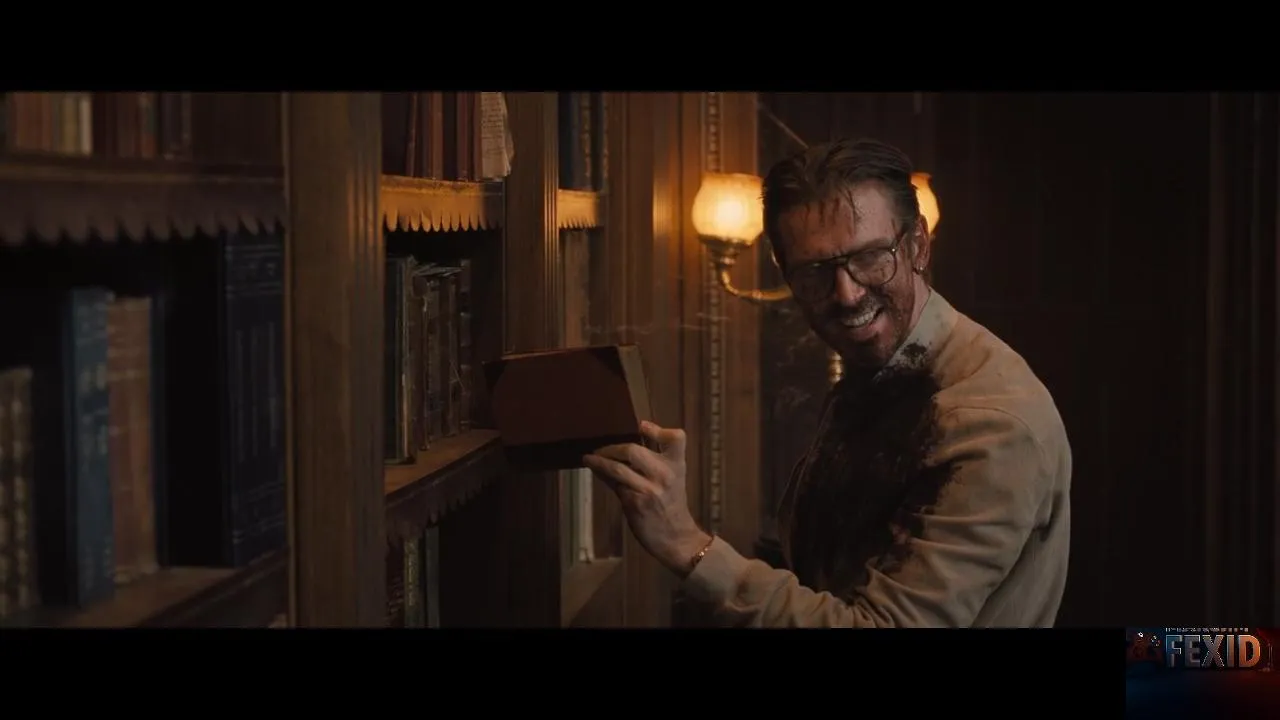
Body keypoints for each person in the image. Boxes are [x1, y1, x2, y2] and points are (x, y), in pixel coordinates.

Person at [584, 137, 1072, 628]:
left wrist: (686, 544)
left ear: (918, 245)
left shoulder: (990, 426)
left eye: (871, 257)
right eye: (815, 271)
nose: (847, 293)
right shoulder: (884, 368)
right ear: (785, 272)